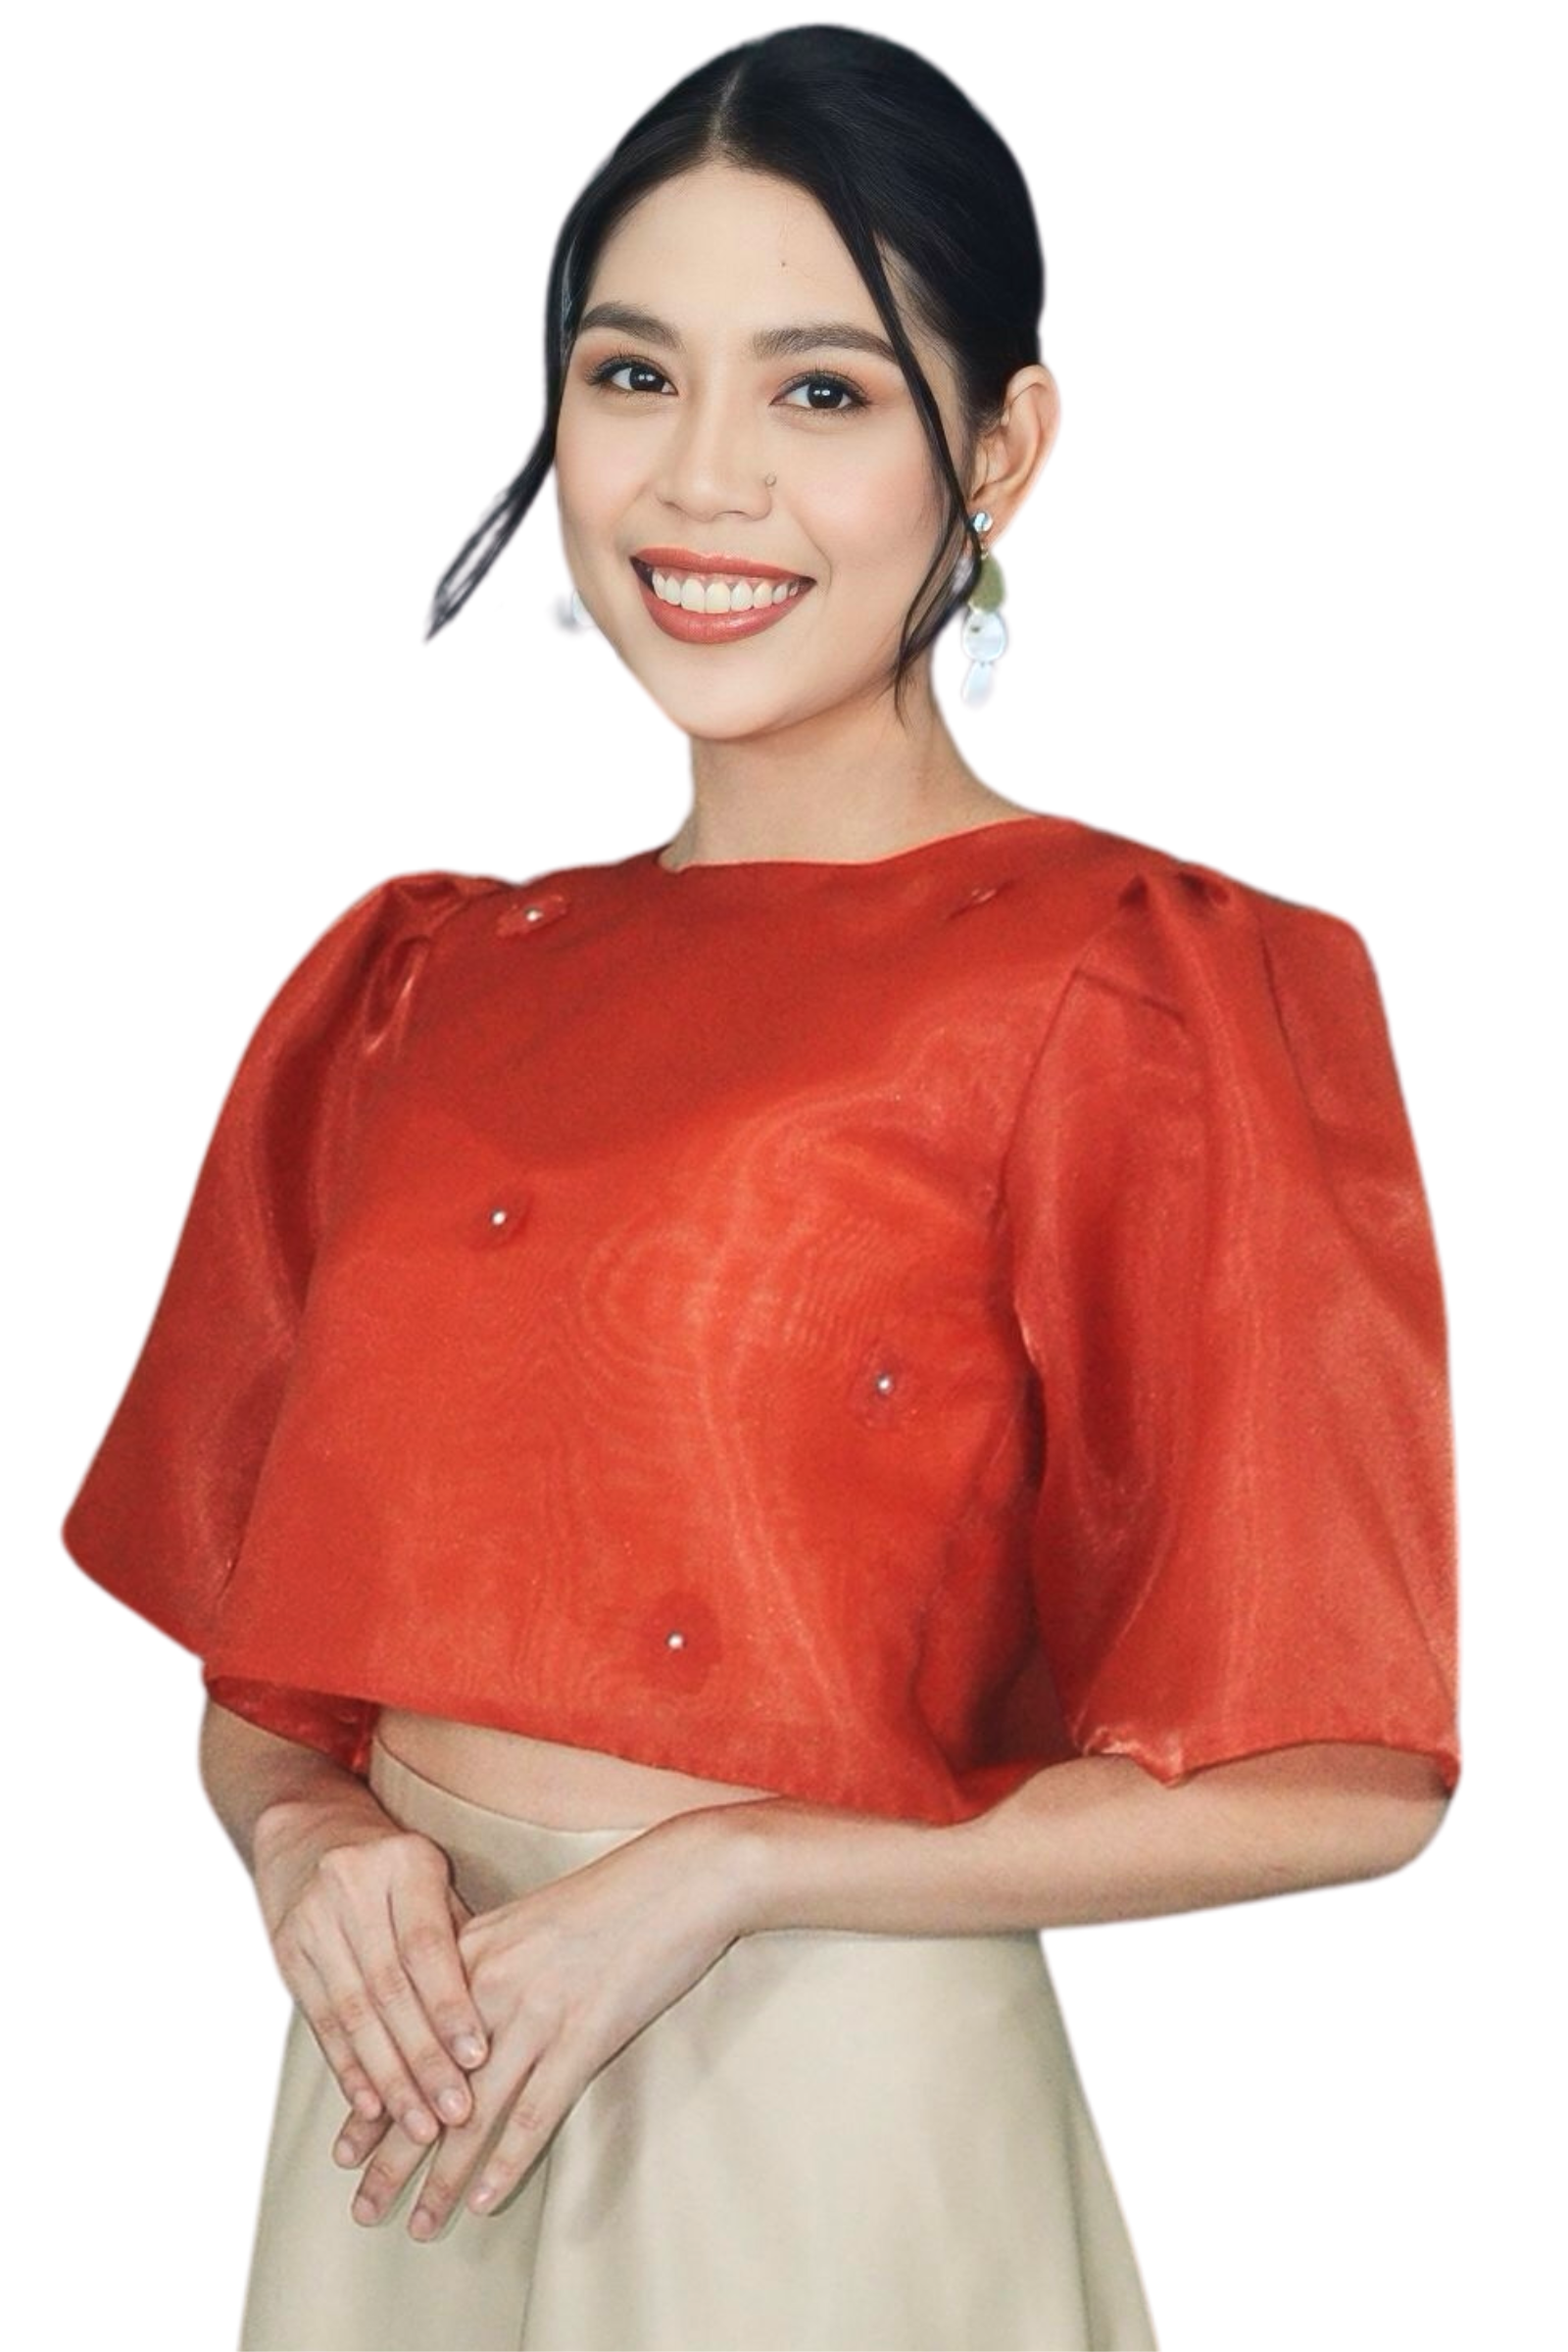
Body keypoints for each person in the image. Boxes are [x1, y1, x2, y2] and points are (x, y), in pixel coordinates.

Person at [60, 24, 1461, 2352]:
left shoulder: (1139, 986)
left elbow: (1337, 1776)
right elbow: (274, 1668)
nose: (701, 479)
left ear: (996, 446)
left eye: (822, 391)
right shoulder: (416, 990)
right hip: (405, 2116)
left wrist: (718, 1876)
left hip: (815, 2104)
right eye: (632, 374)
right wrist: (305, 1840)